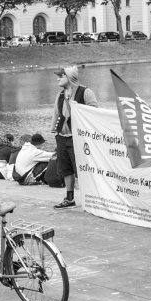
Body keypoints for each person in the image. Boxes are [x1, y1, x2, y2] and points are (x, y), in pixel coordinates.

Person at [51, 65, 96, 209]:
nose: (58, 78)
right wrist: (55, 132)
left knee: (82, 169)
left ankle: (91, 200)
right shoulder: (60, 95)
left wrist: (79, 108)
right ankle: (69, 198)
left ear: (70, 77)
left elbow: (95, 113)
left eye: (61, 76)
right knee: (66, 169)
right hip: (62, 137)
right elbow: (56, 115)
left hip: (79, 138)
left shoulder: (86, 92)